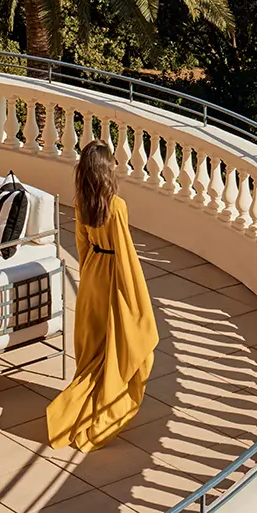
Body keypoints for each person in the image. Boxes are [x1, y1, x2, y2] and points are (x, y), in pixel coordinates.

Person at [47, 138, 158, 449]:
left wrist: (87, 278)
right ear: (108, 171)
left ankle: (78, 402)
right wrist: (135, 300)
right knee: (123, 346)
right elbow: (125, 253)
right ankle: (98, 409)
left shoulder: (81, 202)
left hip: (93, 271)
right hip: (112, 274)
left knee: (94, 346)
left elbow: (82, 245)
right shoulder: (117, 206)